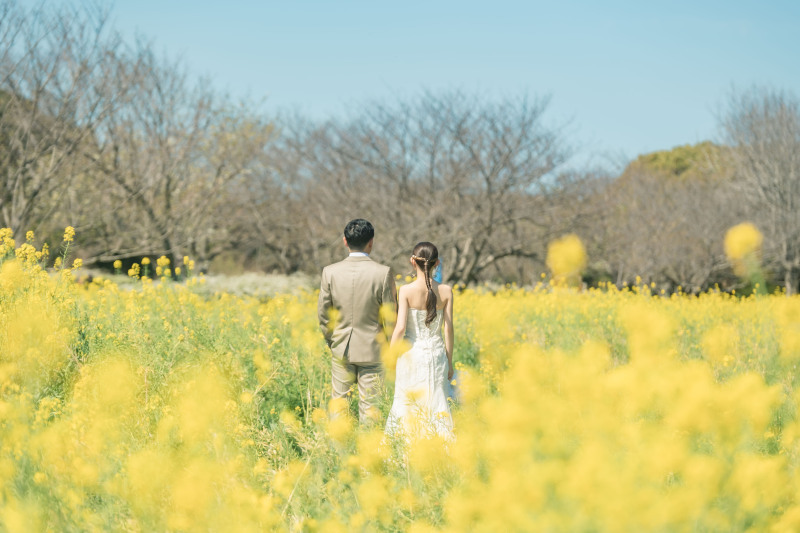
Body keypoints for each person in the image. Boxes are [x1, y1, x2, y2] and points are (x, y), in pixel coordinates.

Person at [318, 219, 397, 423]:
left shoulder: (330, 272)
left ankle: (338, 451)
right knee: (371, 408)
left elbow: (324, 315)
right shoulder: (383, 272)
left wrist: (333, 341)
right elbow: (390, 316)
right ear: (371, 242)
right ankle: (368, 451)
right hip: (373, 349)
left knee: (338, 406)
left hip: (341, 348)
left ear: (345, 241)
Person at [385, 241, 454, 440]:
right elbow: (448, 329)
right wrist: (449, 362)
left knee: (407, 403)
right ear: (437, 263)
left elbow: (400, 329)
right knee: (437, 401)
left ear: (412, 262)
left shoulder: (406, 291)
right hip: (436, 353)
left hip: (410, 354)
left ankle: (405, 452)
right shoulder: (446, 291)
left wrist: (390, 356)